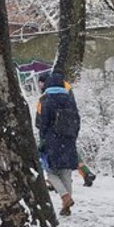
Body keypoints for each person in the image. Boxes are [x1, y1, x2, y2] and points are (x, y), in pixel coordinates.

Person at [36, 69, 81, 216]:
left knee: (50, 172)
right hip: (68, 139)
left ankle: (65, 196)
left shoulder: (46, 99)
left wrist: (43, 138)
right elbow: (77, 119)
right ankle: (66, 205)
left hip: (52, 140)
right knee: (66, 172)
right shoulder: (69, 99)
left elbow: (43, 123)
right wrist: (73, 136)